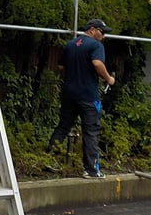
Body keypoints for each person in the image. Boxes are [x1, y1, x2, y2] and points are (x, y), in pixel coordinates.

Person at [47, 17, 115, 178]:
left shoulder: (70, 45)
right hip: (88, 95)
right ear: (92, 30)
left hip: (69, 93)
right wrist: (108, 79)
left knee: (63, 126)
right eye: (101, 32)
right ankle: (92, 170)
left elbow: (60, 66)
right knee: (91, 131)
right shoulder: (96, 45)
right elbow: (98, 64)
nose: (103, 36)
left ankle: (48, 156)